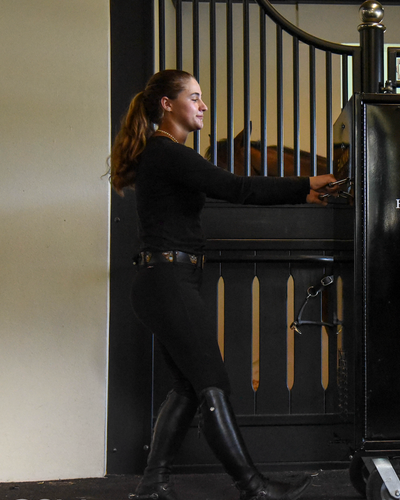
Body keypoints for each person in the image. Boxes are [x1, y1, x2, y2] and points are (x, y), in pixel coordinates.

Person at [108, 69, 337, 500]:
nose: (203, 106)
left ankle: (153, 485)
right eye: (194, 97)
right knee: (211, 381)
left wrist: (302, 195)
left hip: (167, 280)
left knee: (188, 386)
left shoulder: (166, 154)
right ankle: (253, 487)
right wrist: (305, 183)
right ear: (167, 105)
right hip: (168, 280)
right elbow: (237, 187)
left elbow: (235, 188)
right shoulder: (167, 151)